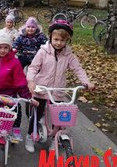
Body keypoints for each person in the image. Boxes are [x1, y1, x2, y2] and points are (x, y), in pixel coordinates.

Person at [25, 19, 95, 153]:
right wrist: (31, 81)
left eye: (62, 40)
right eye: (56, 39)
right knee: (36, 114)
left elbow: (78, 69)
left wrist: (86, 82)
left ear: (67, 41)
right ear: (50, 37)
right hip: (41, 88)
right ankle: (30, 136)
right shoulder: (43, 52)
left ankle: (55, 139)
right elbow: (33, 68)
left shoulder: (69, 55)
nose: (58, 43)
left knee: (58, 117)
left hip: (58, 90)